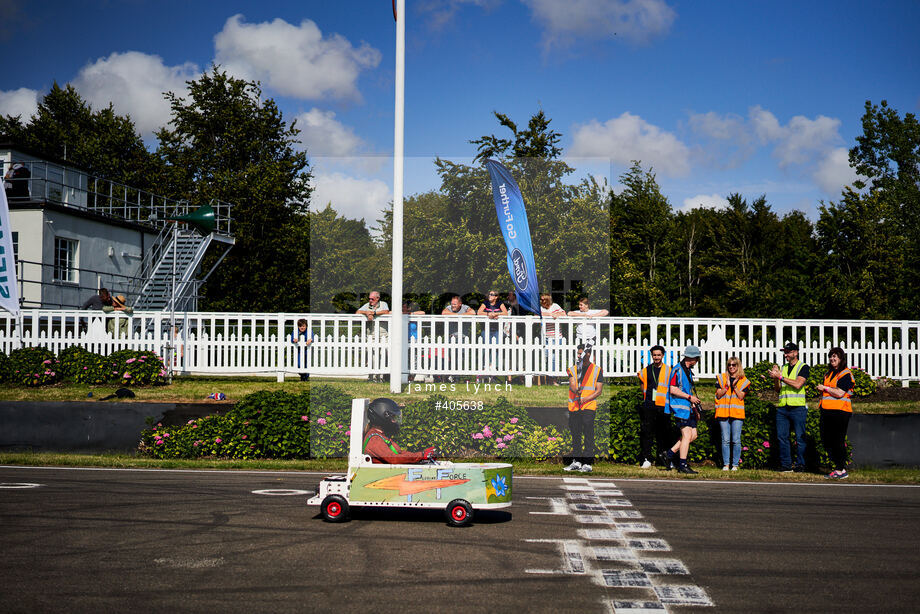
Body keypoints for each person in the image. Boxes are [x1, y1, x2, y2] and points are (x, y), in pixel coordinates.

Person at [661, 345, 702, 474]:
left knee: (693, 435)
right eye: (697, 358)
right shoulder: (678, 370)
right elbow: (673, 389)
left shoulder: (687, 370)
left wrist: (694, 406)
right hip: (680, 408)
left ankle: (668, 454)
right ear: (692, 358)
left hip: (688, 408)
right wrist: (690, 397)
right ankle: (682, 464)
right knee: (686, 435)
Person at [563, 343, 604, 473]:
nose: (580, 355)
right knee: (575, 434)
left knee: (588, 433)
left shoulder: (597, 370)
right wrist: (576, 391)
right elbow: (572, 385)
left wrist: (586, 398)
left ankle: (587, 462)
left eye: (582, 353)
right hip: (575, 406)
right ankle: (577, 461)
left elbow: (599, 390)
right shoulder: (573, 369)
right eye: (578, 353)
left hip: (588, 405)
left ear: (589, 354)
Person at [770, 342, 810, 472]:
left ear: (795, 353)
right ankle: (786, 465)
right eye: (785, 352)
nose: (785, 354)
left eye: (788, 352)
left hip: (798, 408)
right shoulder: (784, 367)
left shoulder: (803, 367)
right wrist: (776, 378)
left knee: (800, 438)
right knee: (782, 437)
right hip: (783, 407)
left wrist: (780, 376)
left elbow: (798, 384)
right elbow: (777, 389)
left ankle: (800, 465)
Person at [817, 347, 854, 479]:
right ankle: (838, 466)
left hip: (840, 412)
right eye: (831, 356)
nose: (832, 359)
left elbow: (839, 393)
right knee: (826, 440)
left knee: (837, 440)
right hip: (827, 411)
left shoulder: (845, 373)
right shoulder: (828, 374)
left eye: (835, 357)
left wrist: (825, 388)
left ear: (841, 359)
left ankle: (840, 469)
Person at [362, 398, 437, 464]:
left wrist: (421, 455)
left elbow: (399, 452)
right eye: (392, 418)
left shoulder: (379, 435)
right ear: (382, 417)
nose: (394, 421)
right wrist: (422, 455)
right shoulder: (375, 440)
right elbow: (394, 459)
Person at [636, 345, 671, 469]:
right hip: (649, 405)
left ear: (663, 355)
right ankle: (646, 458)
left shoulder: (669, 370)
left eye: (658, 355)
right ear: (652, 356)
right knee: (647, 433)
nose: (656, 357)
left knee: (663, 434)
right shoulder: (646, 370)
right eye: (654, 355)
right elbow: (642, 383)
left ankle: (662, 458)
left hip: (663, 406)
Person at [715, 357, 750, 471]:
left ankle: (735, 464)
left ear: (738, 366)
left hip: (737, 413)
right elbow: (718, 395)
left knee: (736, 440)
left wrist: (734, 386)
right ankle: (726, 464)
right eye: (729, 364)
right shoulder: (721, 378)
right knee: (725, 440)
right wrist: (727, 386)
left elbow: (741, 396)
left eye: (734, 365)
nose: (731, 367)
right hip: (723, 412)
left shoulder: (744, 380)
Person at [356, 291, 390, 381]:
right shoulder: (367, 305)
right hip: (371, 335)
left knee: (384, 354)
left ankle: (382, 376)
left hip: (383, 335)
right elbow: (357, 312)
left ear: (378, 298)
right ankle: (372, 376)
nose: (370, 300)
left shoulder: (383, 304)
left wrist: (374, 313)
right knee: (372, 356)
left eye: (372, 299)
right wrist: (367, 313)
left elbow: (386, 312)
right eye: (369, 299)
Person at [477, 291, 507, 380]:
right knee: (486, 347)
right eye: (489, 294)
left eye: (492, 294)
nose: (490, 296)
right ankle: (485, 366)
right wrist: (488, 314)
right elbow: (479, 312)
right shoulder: (485, 303)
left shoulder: (499, 304)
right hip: (486, 329)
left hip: (497, 330)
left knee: (496, 347)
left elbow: (505, 313)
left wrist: (496, 314)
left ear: (496, 297)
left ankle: (493, 366)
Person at [540, 293, 565, 385]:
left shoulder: (555, 306)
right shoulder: (541, 308)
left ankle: (553, 380)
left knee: (553, 358)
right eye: (541, 300)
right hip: (545, 336)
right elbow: (537, 315)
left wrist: (557, 314)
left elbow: (564, 314)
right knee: (546, 358)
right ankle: (547, 379)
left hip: (555, 336)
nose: (542, 301)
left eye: (543, 300)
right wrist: (550, 314)